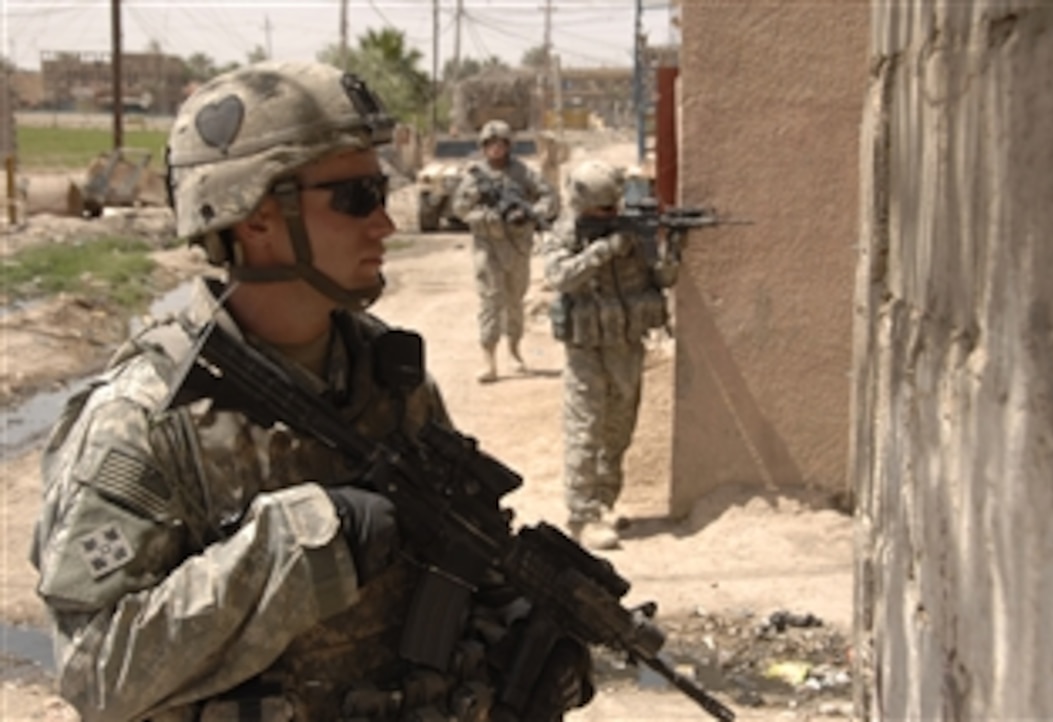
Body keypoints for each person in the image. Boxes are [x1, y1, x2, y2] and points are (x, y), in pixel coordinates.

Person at [29, 60, 590, 722]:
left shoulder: (392, 379)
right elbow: (96, 675)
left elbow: (445, 573)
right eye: (357, 197)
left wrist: (518, 638)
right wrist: (290, 548)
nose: (384, 221)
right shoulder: (148, 418)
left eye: (381, 191)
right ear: (256, 216)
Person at [542, 160, 680, 551]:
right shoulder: (566, 232)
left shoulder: (632, 231)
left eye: (614, 207)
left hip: (626, 342)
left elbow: (664, 279)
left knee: (619, 428)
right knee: (585, 428)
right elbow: (558, 277)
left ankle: (603, 502)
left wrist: (669, 249)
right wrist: (603, 250)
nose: (611, 215)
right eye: (603, 210)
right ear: (583, 205)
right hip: (586, 346)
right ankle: (582, 516)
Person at [452, 119, 557, 383]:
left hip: (519, 245)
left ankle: (514, 350)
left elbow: (549, 196)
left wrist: (532, 213)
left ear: (508, 146)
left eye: (501, 144)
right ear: (484, 147)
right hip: (488, 246)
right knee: (491, 300)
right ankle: (489, 360)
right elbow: (460, 209)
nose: (496, 149)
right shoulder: (475, 176)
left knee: (515, 300)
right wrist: (486, 217)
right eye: (491, 144)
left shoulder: (522, 173)